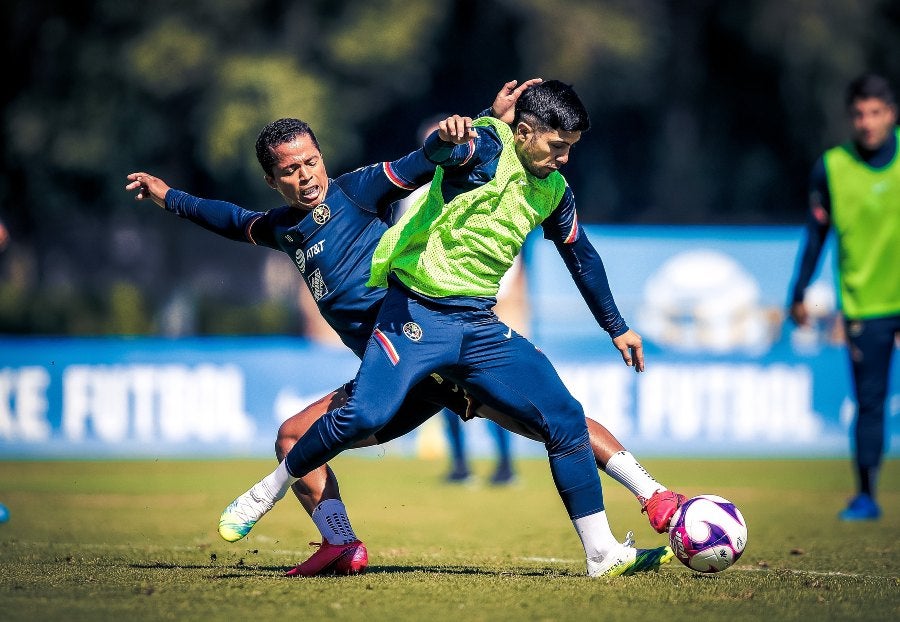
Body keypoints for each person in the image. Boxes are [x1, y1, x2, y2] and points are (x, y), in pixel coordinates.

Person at [217, 80, 679, 578]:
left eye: (571, 148)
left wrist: (617, 326)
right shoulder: (482, 147)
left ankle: (612, 543)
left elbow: (581, 256)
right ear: (524, 132)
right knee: (340, 421)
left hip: (474, 326)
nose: (565, 158)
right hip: (415, 315)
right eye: (558, 146)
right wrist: (452, 134)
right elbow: (439, 151)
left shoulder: (554, 191)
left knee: (562, 417)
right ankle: (295, 511)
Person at [788, 72, 899, 521]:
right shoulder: (832, 166)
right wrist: (798, 293)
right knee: (870, 402)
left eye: (876, 113)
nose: (867, 122)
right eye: (859, 114)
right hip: (864, 303)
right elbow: (816, 235)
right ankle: (867, 494)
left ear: (891, 114)